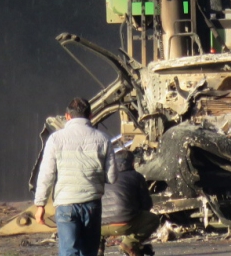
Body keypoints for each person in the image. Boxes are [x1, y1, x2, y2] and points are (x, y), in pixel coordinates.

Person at [34, 97, 118, 256]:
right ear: (90, 115)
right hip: (92, 205)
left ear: (67, 116)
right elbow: (112, 177)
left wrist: (40, 205)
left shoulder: (55, 139)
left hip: (66, 205)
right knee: (89, 252)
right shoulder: (103, 139)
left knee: (68, 251)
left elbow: (46, 174)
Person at [101, 150, 160, 256]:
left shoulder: (104, 177)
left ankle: (97, 249)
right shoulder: (136, 176)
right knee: (153, 219)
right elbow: (146, 204)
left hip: (102, 225)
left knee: (95, 227)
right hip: (125, 223)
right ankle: (129, 243)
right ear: (132, 163)